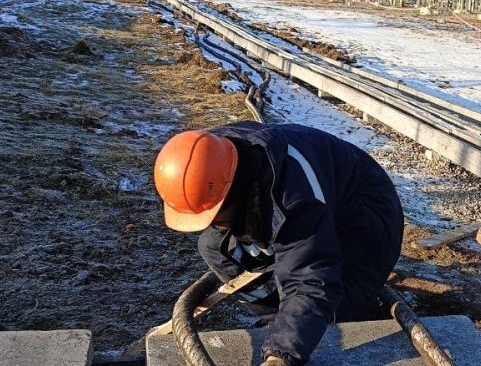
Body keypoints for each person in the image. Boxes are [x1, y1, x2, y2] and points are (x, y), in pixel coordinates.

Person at [153, 122, 404, 366]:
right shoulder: (208, 156)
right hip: (301, 197)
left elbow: (310, 280)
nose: (209, 224)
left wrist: (282, 356)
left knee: (337, 311)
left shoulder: (296, 200)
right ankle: (277, 317)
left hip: (363, 214)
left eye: (213, 216)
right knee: (215, 247)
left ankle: (303, 325)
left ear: (233, 193)